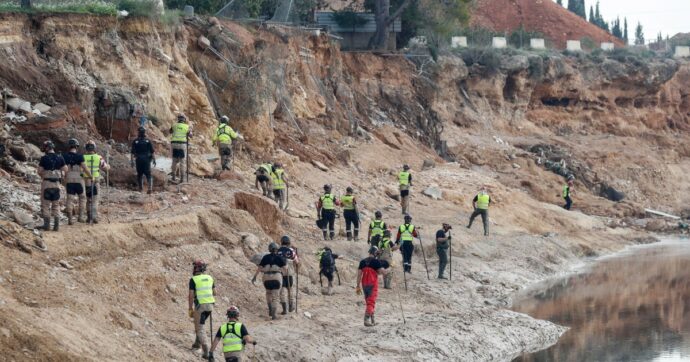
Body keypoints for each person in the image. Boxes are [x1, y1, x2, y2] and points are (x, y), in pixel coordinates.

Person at [188, 260, 216, 359]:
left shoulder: (194, 279)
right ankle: (197, 343)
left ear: (197, 269)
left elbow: (191, 295)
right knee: (200, 323)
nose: (193, 269)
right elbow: (214, 292)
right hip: (210, 306)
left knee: (200, 328)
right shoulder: (210, 278)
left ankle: (206, 350)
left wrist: (190, 308)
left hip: (200, 306)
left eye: (195, 267)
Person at [252, 242, 287, 320]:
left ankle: (270, 310)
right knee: (275, 296)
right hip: (276, 277)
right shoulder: (279, 257)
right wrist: (285, 277)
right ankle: (274, 314)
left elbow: (260, 268)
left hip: (266, 277)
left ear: (269, 249)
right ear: (277, 249)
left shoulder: (265, 257)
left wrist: (255, 276)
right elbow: (285, 269)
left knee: (268, 293)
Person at [356, 246, 389, 327]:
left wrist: (357, 286)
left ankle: (373, 320)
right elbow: (383, 272)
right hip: (372, 283)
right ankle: (366, 320)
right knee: (371, 302)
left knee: (368, 301)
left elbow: (359, 275)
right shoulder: (376, 262)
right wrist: (390, 269)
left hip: (364, 284)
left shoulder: (362, 262)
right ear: (375, 253)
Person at [38, 141, 67, 231]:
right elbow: (65, 169)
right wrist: (60, 173)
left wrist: (44, 174)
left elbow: (39, 171)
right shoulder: (60, 157)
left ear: (47, 148)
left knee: (46, 205)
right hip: (57, 184)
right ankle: (56, 226)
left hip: (46, 183)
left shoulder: (44, 158)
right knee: (56, 204)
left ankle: (47, 225)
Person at [62, 139, 91, 225]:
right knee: (82, 198)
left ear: (69, 147)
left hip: (69, 179)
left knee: (70, 199)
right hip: (79, 180)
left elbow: (62, 169)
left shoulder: (64, 156)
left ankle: (70, 219)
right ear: (77, 147)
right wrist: (90, 176)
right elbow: (85, 168)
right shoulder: (80, 156)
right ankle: (81, 217)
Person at [83, 141, 110, 224]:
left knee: (88, 200)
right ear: (94, 148)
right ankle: (94, 217)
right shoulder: (99, 157)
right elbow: (105, 167)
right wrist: (108, 166)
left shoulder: (83, 157)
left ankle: (88, 217)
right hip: (95, 181)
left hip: (85, 181)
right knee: (94, 199)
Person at [277, 235, 300, 314]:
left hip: (280, 273)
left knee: (282, 290)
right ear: (288, 242)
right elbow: (297, 262)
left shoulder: (278, 250)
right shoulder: (291, 250)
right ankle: (291, 306)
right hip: (289, 273)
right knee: (290, 289)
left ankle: (284, 309)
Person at [130, 127, 156, 194]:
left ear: (138, 132)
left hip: (138, 160)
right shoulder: (148, 141)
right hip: (146, 160)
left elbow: (132, 153)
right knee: (148, 174)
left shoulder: (135, 141)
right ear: (144, 133)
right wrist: (154, 159)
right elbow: (152, 151)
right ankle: (150, 188)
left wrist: (132, 161)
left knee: (140, 174)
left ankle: (140, 188)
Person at [170, 113, 192, 183]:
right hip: (182, 144)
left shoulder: (174, 125)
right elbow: (190, 135)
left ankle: (173, 176)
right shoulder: (186, 126)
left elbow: (170, 131)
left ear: (178, 119)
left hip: (174, 143)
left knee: (174, 160)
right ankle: (182, 178)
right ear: (184, 120)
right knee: (182, 161)